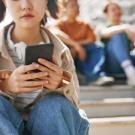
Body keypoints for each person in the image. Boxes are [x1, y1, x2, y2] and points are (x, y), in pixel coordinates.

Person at [0, 0, 89, 135]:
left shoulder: (61, 52)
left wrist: (60, 84)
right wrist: (6, 86)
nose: (25, 5)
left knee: (54, 105)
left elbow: (74, 106)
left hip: (51, 125)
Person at [55, 0, 113, 85]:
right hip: (68, 57)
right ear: (64, 9)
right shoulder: (59, 24)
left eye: (77, 6)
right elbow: (56, 34)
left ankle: (96, 76)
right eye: (72, 6)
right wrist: (75, 46)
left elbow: (92, 39)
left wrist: (78, 47)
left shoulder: (84, 24)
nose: (76, 8)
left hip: (84, 57)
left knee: (97, 46)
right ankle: (74, 76)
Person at [97, 1, 135, 86]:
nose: (117, 11)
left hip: (129, 62)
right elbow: (103, 33)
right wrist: (125, 28)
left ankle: (130, 71)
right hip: (112, 65)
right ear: (106, 14)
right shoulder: (102, 27)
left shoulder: (129, 30)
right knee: (117, 35)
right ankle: (130, 72)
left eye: (118, 9)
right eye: (113, 9)